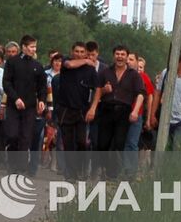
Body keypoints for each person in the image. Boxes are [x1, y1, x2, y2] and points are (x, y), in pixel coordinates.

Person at [86, 45, 145, 176]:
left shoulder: (133, 75)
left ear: (126, 57)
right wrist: (93, 108)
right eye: (117, 54)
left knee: (119, 143)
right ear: (114, 56)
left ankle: (113, 172)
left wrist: (135, 111)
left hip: (124, 111)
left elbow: (140, 94)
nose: (120, 57)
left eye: (122, 54)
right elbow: (98, 90)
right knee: (102, 143)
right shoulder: (105, 72)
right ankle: (103, 167)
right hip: (106, 110)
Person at [1, 35, 48, 173]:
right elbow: (6, 83)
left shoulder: (37, 66)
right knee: (12, 134)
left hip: (30, 107)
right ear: (24, 47)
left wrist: (42, 101)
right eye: (32, 47)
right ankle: (12, 162)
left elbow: (42, 87)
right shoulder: (12, 62)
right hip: (13, 105)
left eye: (35, 47)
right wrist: (15, 98)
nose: (34, 49)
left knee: (26, 137)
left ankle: (20, 168)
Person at [55, 42, 99, 177]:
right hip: (65, 109)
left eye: (82, 52)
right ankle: (71, 173)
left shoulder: (90, 70)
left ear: (86, 52)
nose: (79, 54)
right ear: (72, 51)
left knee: (81, 142)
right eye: (77, 51)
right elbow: (70, 65)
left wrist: (93, 108)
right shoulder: (66, 62)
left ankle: (81, 169)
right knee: (68, 144)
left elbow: (97, 89)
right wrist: (86, 60)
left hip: (82, 110)